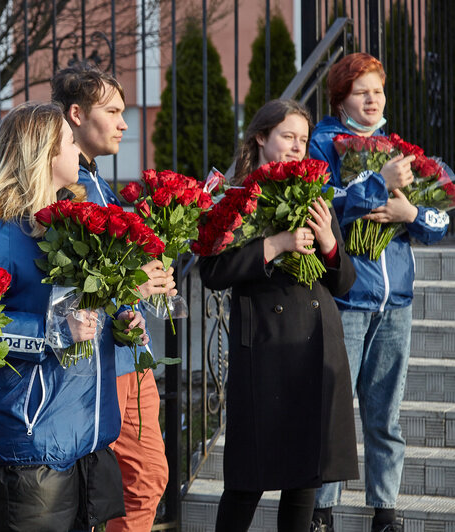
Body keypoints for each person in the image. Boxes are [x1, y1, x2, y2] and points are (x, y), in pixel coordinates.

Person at [0, 101, 148, 532]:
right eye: (69, 141)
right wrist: (53, 330)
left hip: (88, 441)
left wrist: (119, 324)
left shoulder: (72, 229)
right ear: (42, 154)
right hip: (29, 451)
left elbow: (84, 316)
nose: (79, 150)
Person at [198, 99, 359, 531]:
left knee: (306, 477)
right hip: (264, 348)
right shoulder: (234, 196)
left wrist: (328, 242)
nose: (296, 147)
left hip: (315, 344)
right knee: (247, 478)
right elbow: (211, 271)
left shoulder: (315, 192)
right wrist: (276, 244)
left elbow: (345, 282)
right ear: (261, 137)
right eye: (287, 136)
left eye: (303, 140)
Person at [309, 53, 450, 532]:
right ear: (340, 97)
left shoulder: (397, 149)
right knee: (334, 410)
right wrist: (375, 185)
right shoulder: (324, 142)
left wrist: (408, 215)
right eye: (361, 91)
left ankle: (384, 511)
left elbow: (439, 222)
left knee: (385, 411)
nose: (373, 99)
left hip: (397, 302)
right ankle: (321, 510)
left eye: (378, 90)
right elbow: (322, 204)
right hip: (347, 298)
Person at [52, 61, 175, 532]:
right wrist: (132, 286)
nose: (125, 123)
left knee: (145, 482)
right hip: (98, 364)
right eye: (114, 111)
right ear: (77, 114)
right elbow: (66, 293)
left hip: (126, 354)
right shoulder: (65, 193)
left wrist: (144, 292)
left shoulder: (100, 185)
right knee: (136, 485)